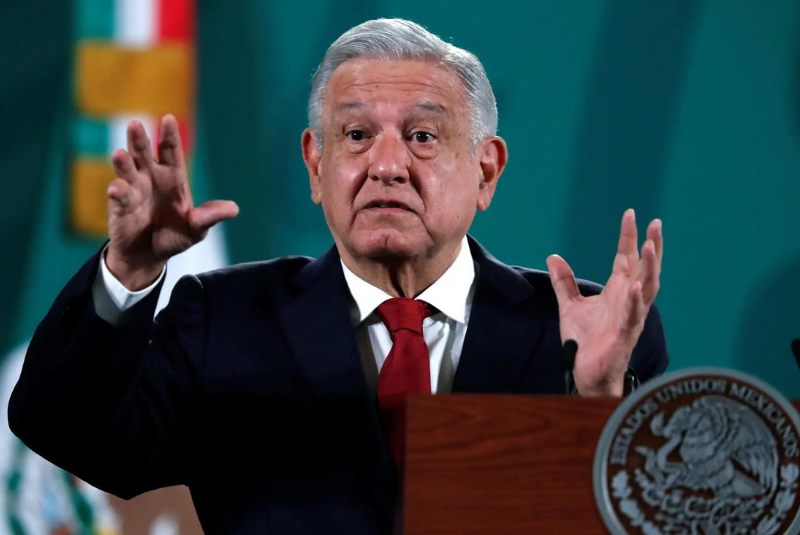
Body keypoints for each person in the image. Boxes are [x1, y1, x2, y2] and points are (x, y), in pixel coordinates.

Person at [9, 18, 668, 535]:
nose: (386, 164)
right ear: (314, 164)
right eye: (355, 135)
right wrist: (126, 270)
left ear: (486, 170)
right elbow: (72, 435)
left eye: (423, 136)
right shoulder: (225, 319)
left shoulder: (582, 329)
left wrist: (599, 402)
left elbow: (650, 514)